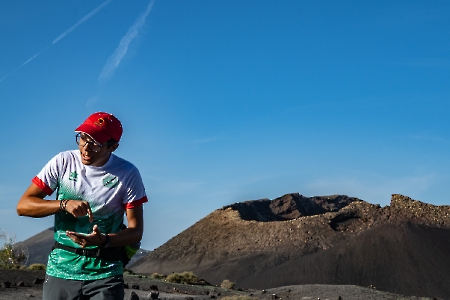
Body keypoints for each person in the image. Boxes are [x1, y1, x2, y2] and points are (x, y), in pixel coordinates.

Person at [17, 112, 148, 300]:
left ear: (113, 147)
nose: (86, 148)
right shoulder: (63, 162)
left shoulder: (128, 174)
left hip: (105, 274)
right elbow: (23, 206)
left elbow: (136, 232)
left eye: (96, 143)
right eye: (83, 138)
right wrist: (63, 204)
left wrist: (104, 240)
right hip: (60, 270)